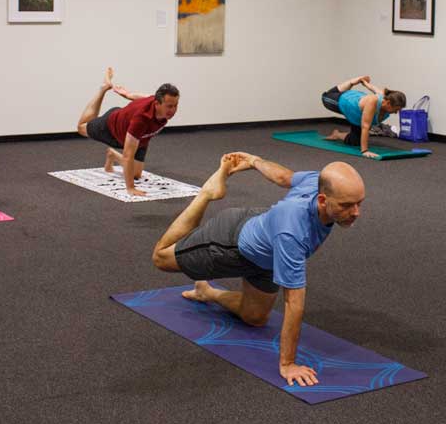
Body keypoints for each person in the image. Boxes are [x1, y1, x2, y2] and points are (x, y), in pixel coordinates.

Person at [151, 153, 365, 386]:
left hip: (267, 251)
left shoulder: (318, 181)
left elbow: (284, 177)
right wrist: (288, 363)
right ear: (322, 200)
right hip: (230, 243)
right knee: (161, 258)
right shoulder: (293, 232)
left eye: (359, 203)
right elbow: (294, 303)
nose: (356, 212)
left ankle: (207, 292)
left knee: (255, 318)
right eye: (346, 206)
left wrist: (254, 161)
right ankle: (207, 194)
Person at [76, 67, 179, 197]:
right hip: (111, 127)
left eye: (175, 105)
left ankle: (112, 154)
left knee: (136, 174)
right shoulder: (141, 119)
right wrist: (130, 188)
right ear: (157, 104)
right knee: (81, 128)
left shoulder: (157, 102)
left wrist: (128, 95)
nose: (173, 110)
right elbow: (128, 155)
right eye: (169, 106)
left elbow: (145, 96)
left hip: (141, 136)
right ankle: (103, 89)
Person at [320, 75, 407, 158]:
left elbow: (373, 88)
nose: (396, 112)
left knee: (354, 141)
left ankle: (336, 134)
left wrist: (365, 83)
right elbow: (365, 126)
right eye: (396, 109)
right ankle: (351, 82)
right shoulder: (372, 101)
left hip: (356, 114)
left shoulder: (385, 97)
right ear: (388, 103)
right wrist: (365, 151)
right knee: (325, 97)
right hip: (345, 101)